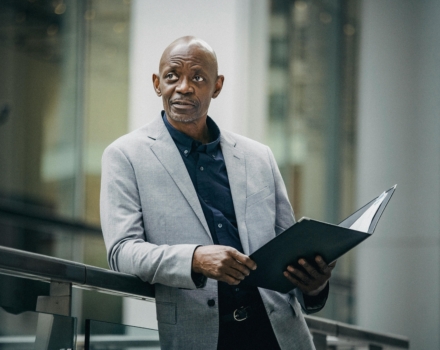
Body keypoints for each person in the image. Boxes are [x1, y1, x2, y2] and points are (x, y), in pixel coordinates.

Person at [100, 36, 335, 350]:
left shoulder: (258, 156)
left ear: (217, 86)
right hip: (201, 337)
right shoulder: (125, 155)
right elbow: (122, 252)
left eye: (197, 77)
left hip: (280, 336)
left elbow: (285, 249)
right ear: (157, 83)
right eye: (172, 76)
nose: (183, 87)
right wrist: (194, 259)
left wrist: (314, 286)